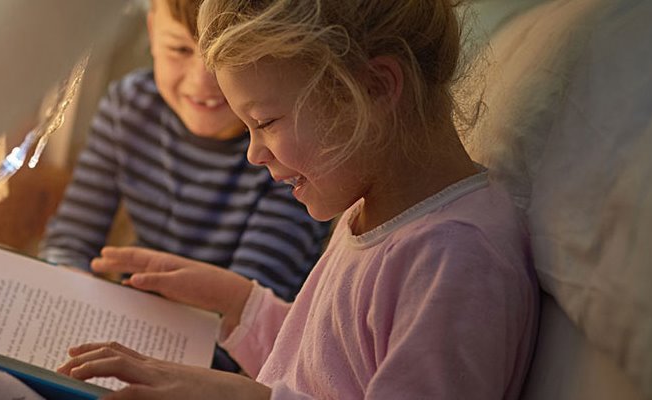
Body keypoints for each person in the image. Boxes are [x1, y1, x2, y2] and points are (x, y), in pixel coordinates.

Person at [58, 0, 540, 398]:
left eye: (265, 123)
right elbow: (327, 369)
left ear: (373, 88)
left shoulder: (454, 258)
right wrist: (241, 304)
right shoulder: (373, 207)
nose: (253, 153)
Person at [39, 0, 331, 372]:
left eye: (227, 54)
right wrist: (65, 284)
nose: (203, 80)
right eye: (179, 49)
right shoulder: (129, 105)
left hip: (235, 361)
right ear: (151, 32)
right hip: (128, 329)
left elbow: (246, 317)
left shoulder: (284, 149)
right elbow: (69, 240)